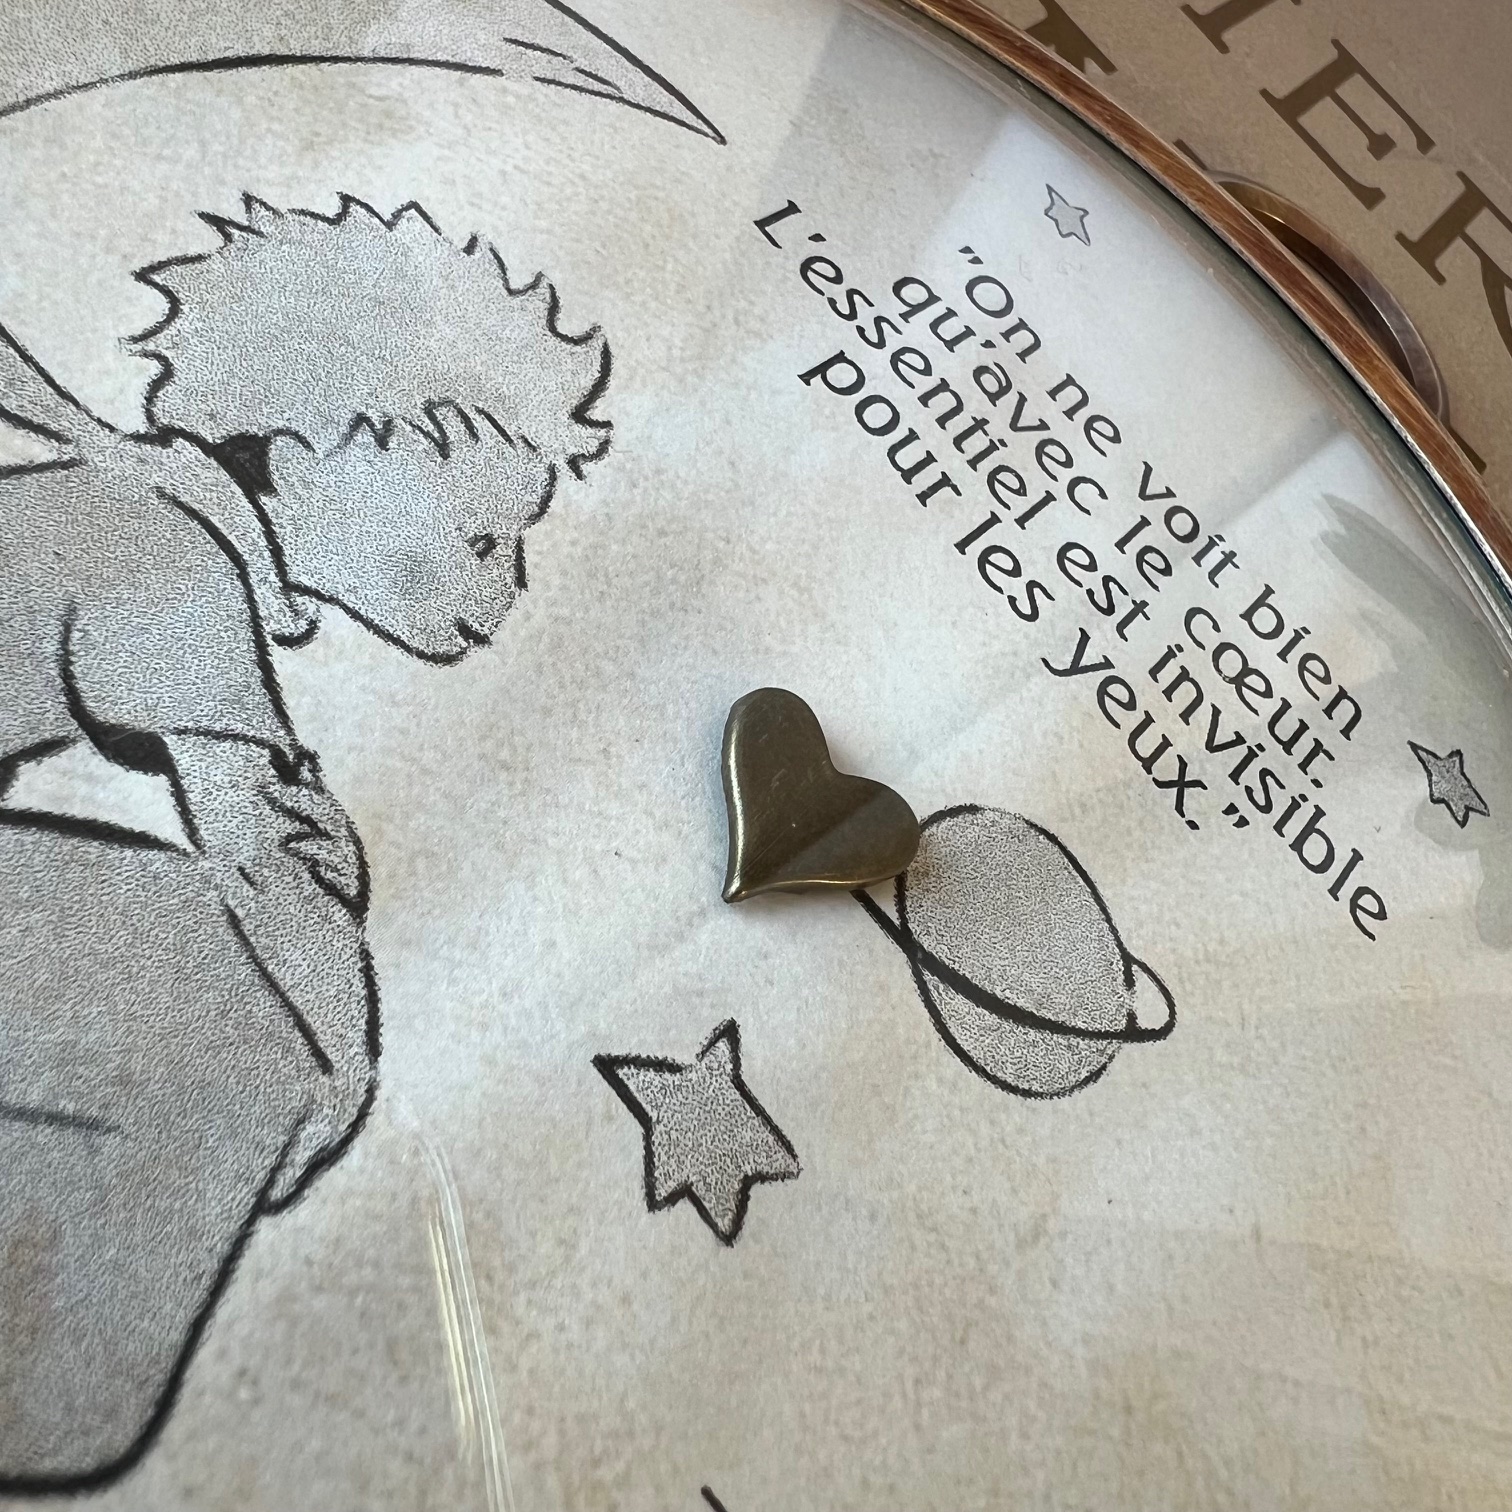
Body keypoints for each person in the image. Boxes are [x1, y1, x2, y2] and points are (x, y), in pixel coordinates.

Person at [0, 194, 610, 1490]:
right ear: (314, 450)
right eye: (481, 538)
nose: (502, 589)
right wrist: (331, 1069)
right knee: (223, 995)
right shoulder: (168, 561)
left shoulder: (144, 519)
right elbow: (267, 868)